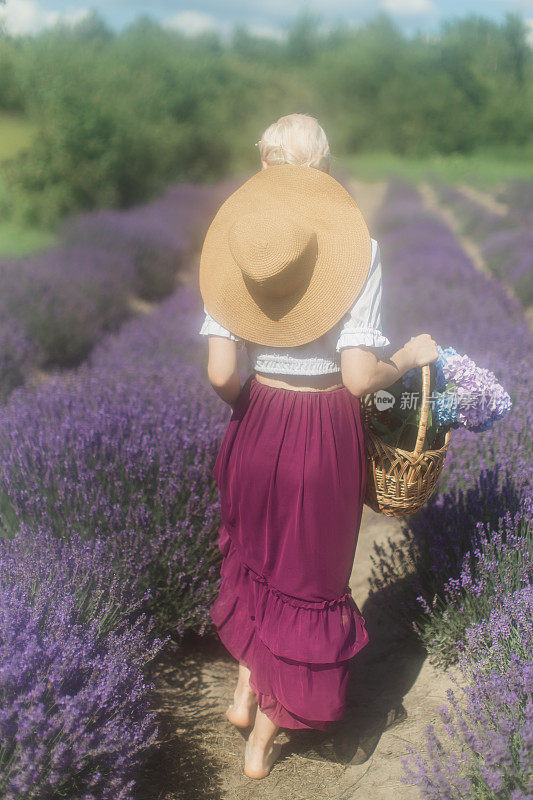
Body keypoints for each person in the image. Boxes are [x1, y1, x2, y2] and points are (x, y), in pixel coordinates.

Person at [198, 113, 438, 780]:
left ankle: (248, 688)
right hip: (322, 430)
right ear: (324, 173)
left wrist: (252, 411)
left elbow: (221, 372)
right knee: (308, 581)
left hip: (256, 420)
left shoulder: (234, 245)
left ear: (264, 171)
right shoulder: (356, 246)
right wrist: (408, 357)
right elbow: (360, 378)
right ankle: (262, 741)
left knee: (259, 561)